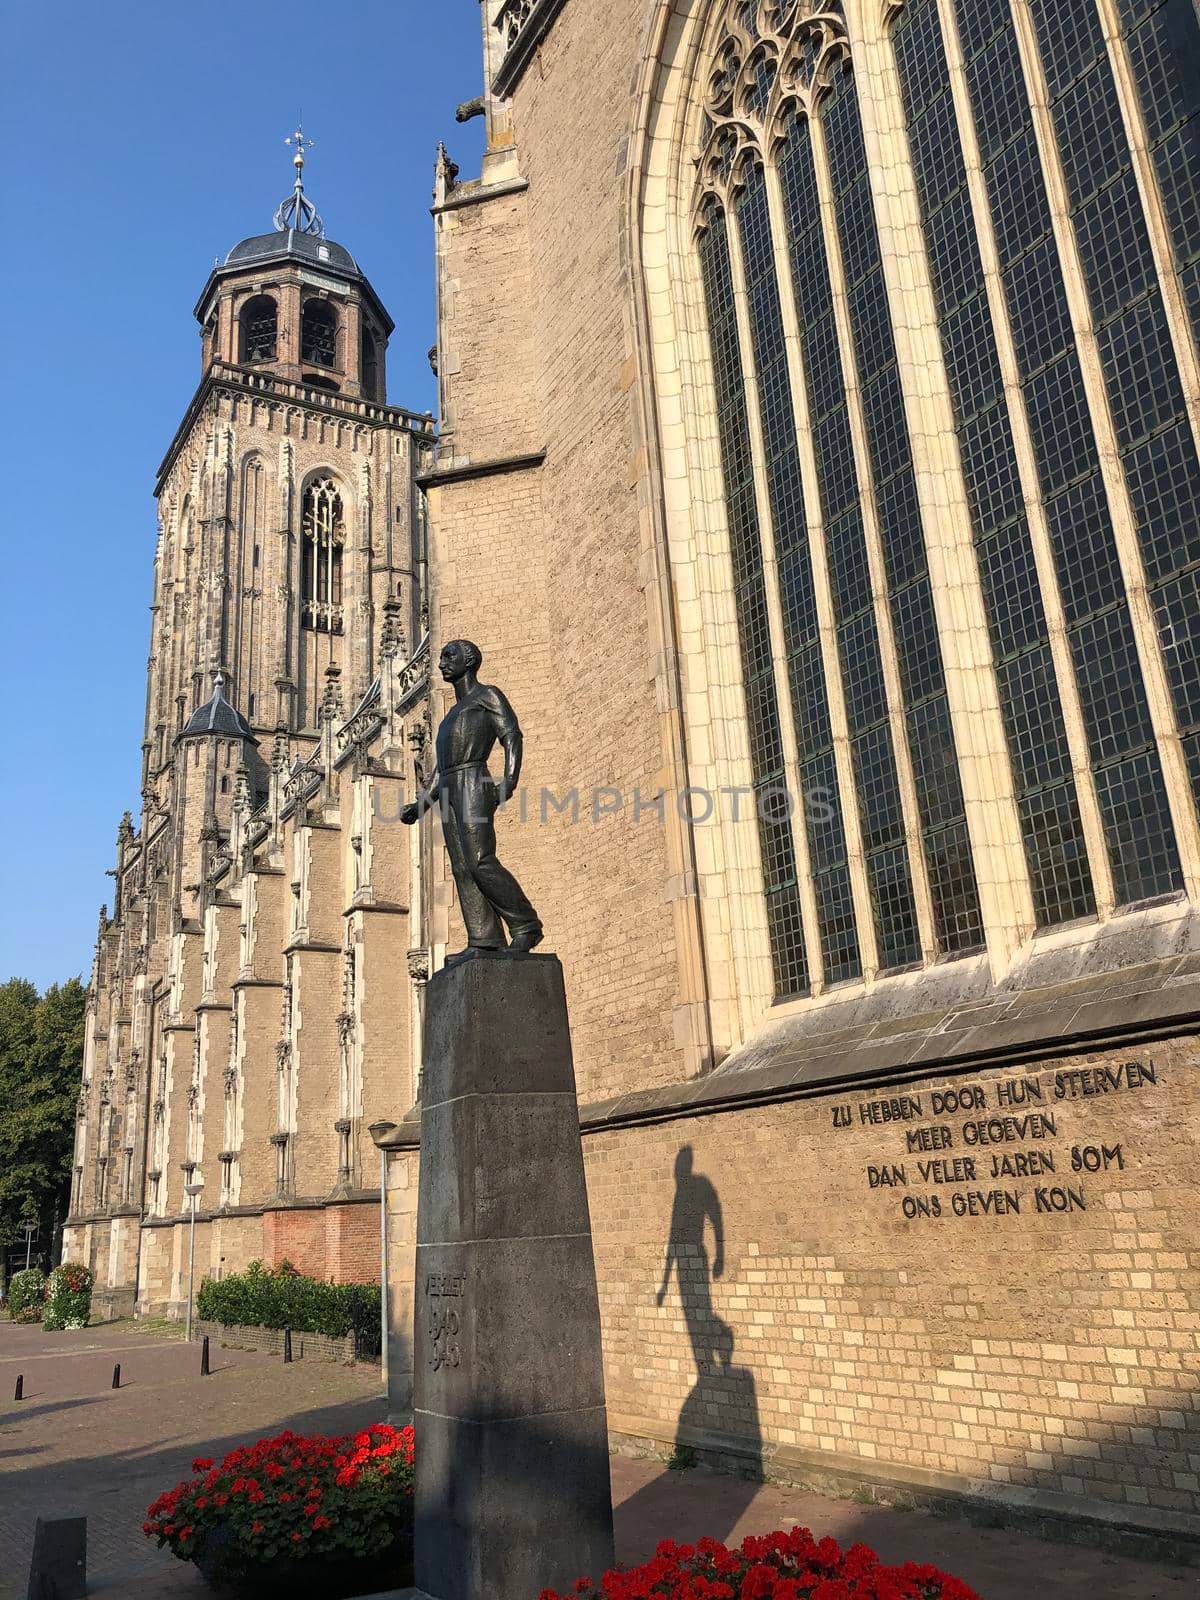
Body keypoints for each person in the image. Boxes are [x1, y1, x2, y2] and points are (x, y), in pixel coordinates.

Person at [401, 639, 543, 958]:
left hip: (474, 780)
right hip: (450, 786)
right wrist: (420, 805)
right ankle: (484, 937)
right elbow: (441, 769)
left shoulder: (487, 695)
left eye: (449, 657)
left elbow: (511, 735)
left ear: (469, 661)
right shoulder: (450, 715)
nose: (441, 664)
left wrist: (508, 781)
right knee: (462, 867)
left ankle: (526, 926)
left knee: (480, 860)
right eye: (440, 658)